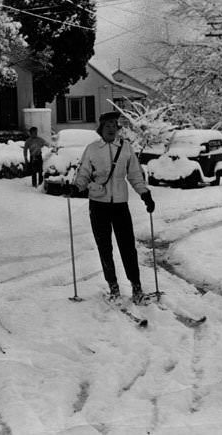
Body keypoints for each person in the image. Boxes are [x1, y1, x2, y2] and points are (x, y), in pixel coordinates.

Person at [69, 111, 155, 303]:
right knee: (104, 247)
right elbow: (83, 173)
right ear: (101, 128)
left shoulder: (125, 148)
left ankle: (136, 287)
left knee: (128, 247)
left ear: (118, 128)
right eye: (107, 125)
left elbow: (134, 174)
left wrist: (144, 194)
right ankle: (113, 287)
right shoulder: (92, 149)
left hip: (120, 206)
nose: (110, 128)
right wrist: (76, 186)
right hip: (98, 205)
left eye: (113, 125)